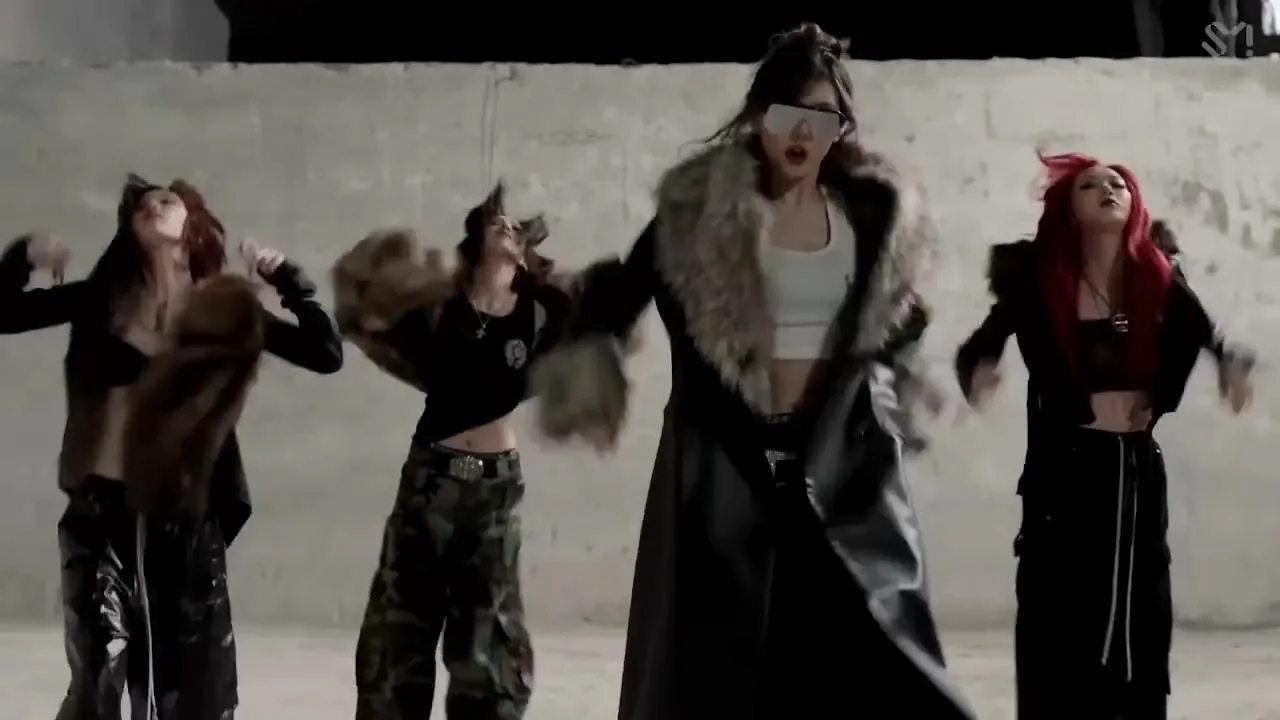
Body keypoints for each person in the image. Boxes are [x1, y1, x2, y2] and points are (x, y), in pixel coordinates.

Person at [524, 22, 974, 720]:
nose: (802, 132)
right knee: (719, 678)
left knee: (866, 670)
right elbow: (619, 296)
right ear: (761, 116)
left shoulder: (871, 219)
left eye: (821, 116)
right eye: (789, 112)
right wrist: (579, 348)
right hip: (726, 469)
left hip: (842, 475)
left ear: (840, 129)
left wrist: (908, 389)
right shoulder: (698, 217)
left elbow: (894, 325)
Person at [1, 173, 344, 720]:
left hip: (186, 521)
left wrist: (290, 282)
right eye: (140, 205)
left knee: (192, 694)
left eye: (167, 199)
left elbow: (325, 353)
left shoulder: (221, 310)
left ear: (194, 225)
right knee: (98, 678)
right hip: (101, 515)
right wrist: (23, 256)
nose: (153, 204)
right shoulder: (99, 301)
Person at [954, 152, 1256, 719]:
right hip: (1066, 470)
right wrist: (980, 371)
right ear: (1069, 210)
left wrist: (1230, 370)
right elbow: (983, 342)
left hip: (1136, 469)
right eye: (1090, 185)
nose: (1108, 189)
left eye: (1118, 183)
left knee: (1140, 608)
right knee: (1060, 610)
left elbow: (1208, 335)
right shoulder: (1040, 281)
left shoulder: (1158, 275)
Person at [333, 182, 637, 720]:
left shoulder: (543, 310)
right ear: (476, 238)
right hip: (430, 478)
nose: (506, 225)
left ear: (524, 251)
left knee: (488, 635)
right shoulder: (438, 307)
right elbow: (367, 315)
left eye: (515, 225)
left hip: (495, 488)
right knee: (399, 627)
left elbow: (607, 317)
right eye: (495, 220)